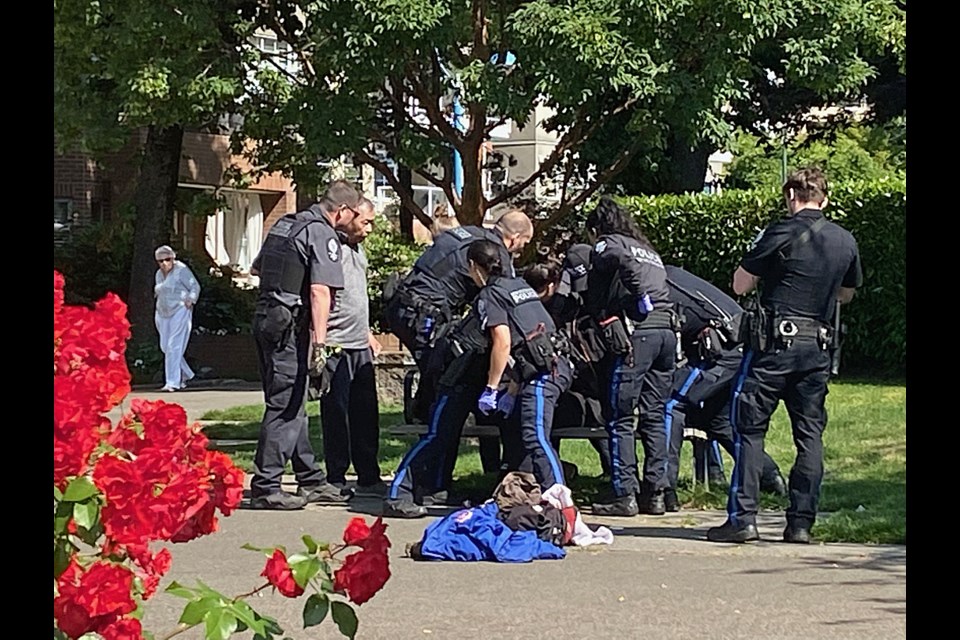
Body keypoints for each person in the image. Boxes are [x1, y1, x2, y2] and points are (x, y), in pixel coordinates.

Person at [707, 167, 862, 544]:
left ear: (791, 196)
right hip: (817, 349)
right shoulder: (845, 240)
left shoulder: (780, 231)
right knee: (809, 435)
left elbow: (741, 284)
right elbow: (846, 294)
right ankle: (801, 524)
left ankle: (743, 518)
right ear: (823, 198)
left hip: (773, 347)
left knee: (749, 429)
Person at [383, 239, 573, 518]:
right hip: (461, 373)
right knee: (439, 435)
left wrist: (494, 387)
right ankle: (398, 493)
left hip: (477, 373)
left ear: (473, 267)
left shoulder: (491, 295)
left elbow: (503, 342)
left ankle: (550, 500)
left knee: (442, 436)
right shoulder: (519, 287)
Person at [247, 180, 374, 511]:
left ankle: (310, 479)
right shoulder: (321, 233)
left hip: (266, 318)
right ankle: (266, 486)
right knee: (286, 404)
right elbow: (321, 292)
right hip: (290, 327)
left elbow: (257, 267)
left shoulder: (286, 223)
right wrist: (320, 345)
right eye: (355, 214)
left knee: (294, 401)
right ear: (343, 211)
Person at [384, 209, 534, 425]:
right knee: (451, 366)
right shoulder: (494, 253)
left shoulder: (467, 232)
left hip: (403, 305)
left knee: (440, 364)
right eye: (525, 243)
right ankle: (435, 425)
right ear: (515, 238)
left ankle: (428, 418)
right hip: (425, 314)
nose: (522, 249)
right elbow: (504, 300)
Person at [581, 196, 678, 517]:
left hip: (638, 334)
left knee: (620, 415)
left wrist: (604, 309)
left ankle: (625, 494)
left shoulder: (608, 245)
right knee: (654, 414)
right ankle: (657, 492)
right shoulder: (647, 250)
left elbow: (614, 270)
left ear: (597, 228)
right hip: (666, 332)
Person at [662, 264, 787, 513]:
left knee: (672, 404)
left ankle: (662, 490)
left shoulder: (662, 286)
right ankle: (770, 477)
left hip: (725, 349)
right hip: (739, 346)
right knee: (720, 421)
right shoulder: (671, 276)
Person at [318, 197, 387, 498]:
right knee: (336, 413)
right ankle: (336, 477)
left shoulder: (358, 250)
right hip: (336, 342)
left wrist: (367, 332)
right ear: (350, 215)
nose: (369, 229)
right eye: (365, 222)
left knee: (366, 413)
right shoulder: (332, 248)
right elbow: (322, 293)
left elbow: (357, 297)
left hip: (359, 342)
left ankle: (368, 475)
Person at [153, 245, 201, 392]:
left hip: (180, 309)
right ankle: (186, 373)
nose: (164, 264)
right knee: (165, 346)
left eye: (167, 260)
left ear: (173, 258)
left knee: (174, 345)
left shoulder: (181, 270)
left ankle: (172, 382)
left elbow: (195, 287)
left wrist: (191, 300)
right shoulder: (159, 274)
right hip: (162, 312)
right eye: (160, 261)